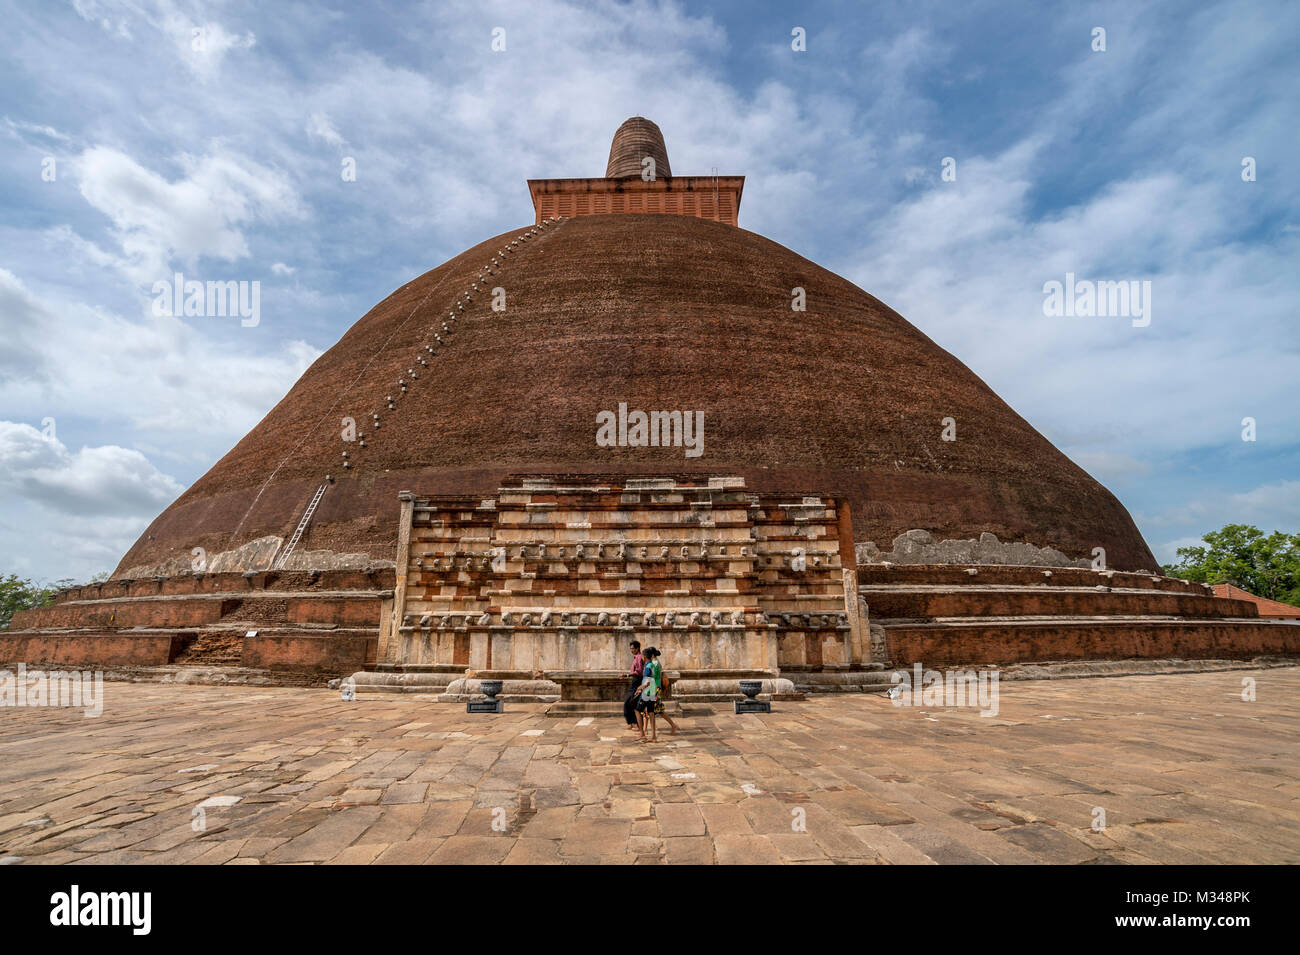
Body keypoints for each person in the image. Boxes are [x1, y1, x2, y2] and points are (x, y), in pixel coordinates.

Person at [634, 646, 660, 742]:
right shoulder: (653, 664)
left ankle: (642, 734)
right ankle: (653, 736)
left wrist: (640, 688)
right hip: (653, 691)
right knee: (651, 713)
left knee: (637, 710)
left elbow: (648, 681)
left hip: (647, 692)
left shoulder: (648, 666)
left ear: (644, 657)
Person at [623, 640, 644, 730]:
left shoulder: (639, 658)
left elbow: (639, 671)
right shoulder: (636, 657)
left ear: (637, 648)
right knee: (630, 702)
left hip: (637, 681)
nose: (631, 650)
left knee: (629, 702)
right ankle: (632, 722)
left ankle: (635, 723)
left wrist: (627, 675)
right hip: (635, 681)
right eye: (630, 649)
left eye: (632, 649)